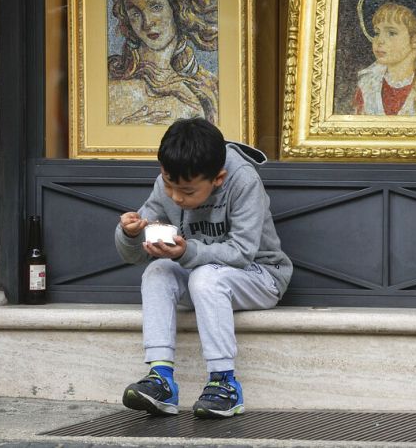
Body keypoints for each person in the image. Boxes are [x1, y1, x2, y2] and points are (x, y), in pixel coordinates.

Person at [114, 117, 292, 419]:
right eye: (168, 185)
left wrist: (187, 251)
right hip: (205, 277)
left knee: (205, 277)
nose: (176, 197)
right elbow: (134, 256)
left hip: (261, 276)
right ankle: (161, 379)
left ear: (218, 179)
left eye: (186, 192)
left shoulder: (243, 180)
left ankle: (225, 383)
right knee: (157, 272)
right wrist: (130, 234)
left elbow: (242, 252)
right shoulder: (171, 182)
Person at [107, 0, 219, 126]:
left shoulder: (207, 84)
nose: (147, 22)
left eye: (155, 7)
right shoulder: (116, 88)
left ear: (176, 9)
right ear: (129, 23)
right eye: (136, 14)